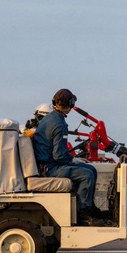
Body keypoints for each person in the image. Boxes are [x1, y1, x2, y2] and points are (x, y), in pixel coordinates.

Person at [32, 88, 105, 226]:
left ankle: (89, 207)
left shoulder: (49, 118)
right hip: (49, 168)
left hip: (47, 164)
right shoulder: (59, 124)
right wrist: (72, 161)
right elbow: (59, 156)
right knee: (86, 175)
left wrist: (73, 160)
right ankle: (83, 214)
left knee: (92, 169)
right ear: (70, 104)